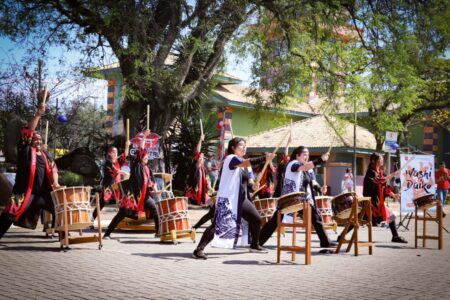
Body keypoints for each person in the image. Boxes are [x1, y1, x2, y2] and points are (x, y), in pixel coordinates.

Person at [192, 137, 275, 259]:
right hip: (229, 199)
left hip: (241, 199)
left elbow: (250, 183)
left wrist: (254, 185)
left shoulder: (244, 165)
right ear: (233, 148)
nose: (244, 147)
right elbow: (247, 162)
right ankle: (198, 250)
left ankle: (255, 244)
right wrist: (264, 158)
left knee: (256, 219)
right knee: (217, 225)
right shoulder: (231, 159)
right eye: (241, 145)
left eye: (245, 145)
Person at [0, 96, 61, 239]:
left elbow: (54, 169)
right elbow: (29, 129)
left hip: (43, 194)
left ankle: (64, 237)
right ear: (30, 141)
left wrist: (56, 182)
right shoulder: (25, 150)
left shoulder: (46, 156)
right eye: (35, 139)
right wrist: (39, 114)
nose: (38, 141)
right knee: (9, 214)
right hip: (24, 193)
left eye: (40, 139)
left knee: (59, 209)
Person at [259, 146, 336, 248]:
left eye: (308, 155)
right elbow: (304, 167)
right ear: (297, 155)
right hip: (290, 199)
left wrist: (320, 189)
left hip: (303, 200)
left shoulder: (308, 168)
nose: (307, 157)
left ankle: (325, 241)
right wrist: (320, 160)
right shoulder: (293, 164)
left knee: (316, 219)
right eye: (304, 155)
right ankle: (257, 242)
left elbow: (312, 181)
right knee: (275, 222)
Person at [104, 130, 160, 239]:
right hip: (132, 196)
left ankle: (158, 232)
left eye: (147, 157)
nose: (147, 158)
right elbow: (141, 149)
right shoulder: (136, 165)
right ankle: (107, 233)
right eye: (145, 157)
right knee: (122, 214)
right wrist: (144, 136)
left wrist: (155, 190)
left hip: (144, 196)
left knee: (154, 209)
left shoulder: (148, 169)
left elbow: (151, 182)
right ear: (141, 157)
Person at [341, 152, 407, 243]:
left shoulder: (380, 171)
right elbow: (380, 181)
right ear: (373, 161)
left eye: (382, 159)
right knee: (356, 221)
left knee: (390, 216)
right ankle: (341, 236)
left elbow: (385, 186)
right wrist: (392, 174)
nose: (382, 160)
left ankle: (395, 236)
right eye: (380, 159)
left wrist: (393, 195)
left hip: (377, 203)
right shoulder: (371, 173)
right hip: (371, 204)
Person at [92, 140, 130, 221]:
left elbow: (125, 155)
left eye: (116, 152)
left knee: (123, 202)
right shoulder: (108, 162)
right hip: (108, 187)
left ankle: (121, 219)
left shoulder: (118, 160)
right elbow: (116, 170)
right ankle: (91, 219)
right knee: (102, 203)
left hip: (117, 186)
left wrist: (127, 146)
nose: (116, 153)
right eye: (114, 152)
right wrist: (125, 173)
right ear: (110, 153)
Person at [185, 134, 209, 205]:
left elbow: (206, 178)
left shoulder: (203, 167)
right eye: (200, 157)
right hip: (193, 185)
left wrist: (209, 186)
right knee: (193, 193)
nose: (201, 158)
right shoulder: (195, 164)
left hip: (200, 188)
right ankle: (192, 200)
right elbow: (198, 151)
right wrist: (200, 140)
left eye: (202, 157)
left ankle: (199, 201)